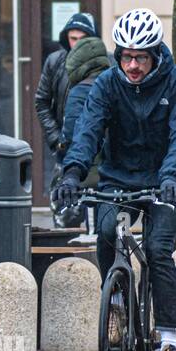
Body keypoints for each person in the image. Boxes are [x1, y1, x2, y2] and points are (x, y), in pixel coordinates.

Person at [53, 8, 176, 351]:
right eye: (126, 57)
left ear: (155, 54)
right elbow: (87, 131)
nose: (133, 65)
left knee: (157, 249)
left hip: (167, 181)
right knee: (106, 233)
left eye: (141, 57)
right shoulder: (106, 84)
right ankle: (118, 305)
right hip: (119, 180)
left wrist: (173, 176)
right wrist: (72, 173)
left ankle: (169, 342)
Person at [53, 32, 113, 227]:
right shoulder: (113, 85)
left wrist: (65, 164)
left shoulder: (79, 91)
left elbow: (70, 134)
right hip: (114, 171)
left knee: (93, 227)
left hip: (86, 170)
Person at [35, 11, 98, 163]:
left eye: (83, 38)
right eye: (73, 38)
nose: (78, 44)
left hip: (99, 148)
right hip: (66, 148)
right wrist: (56, 140)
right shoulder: (55, 62)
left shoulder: (107, 62)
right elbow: (42, 102)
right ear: (66, 39)